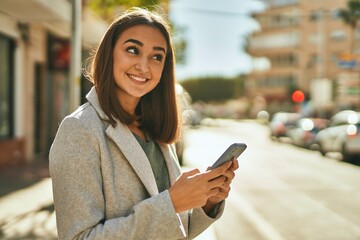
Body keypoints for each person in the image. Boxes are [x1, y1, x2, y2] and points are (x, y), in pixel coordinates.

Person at [49, 7, 239, 240]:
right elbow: (79, 237)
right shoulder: (79, 129)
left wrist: (208, 201)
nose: (144, 66)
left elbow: (174, 229)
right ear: (109, 54)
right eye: (132, 50)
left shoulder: (154, 132)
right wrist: (170, 203)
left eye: (157, 56)